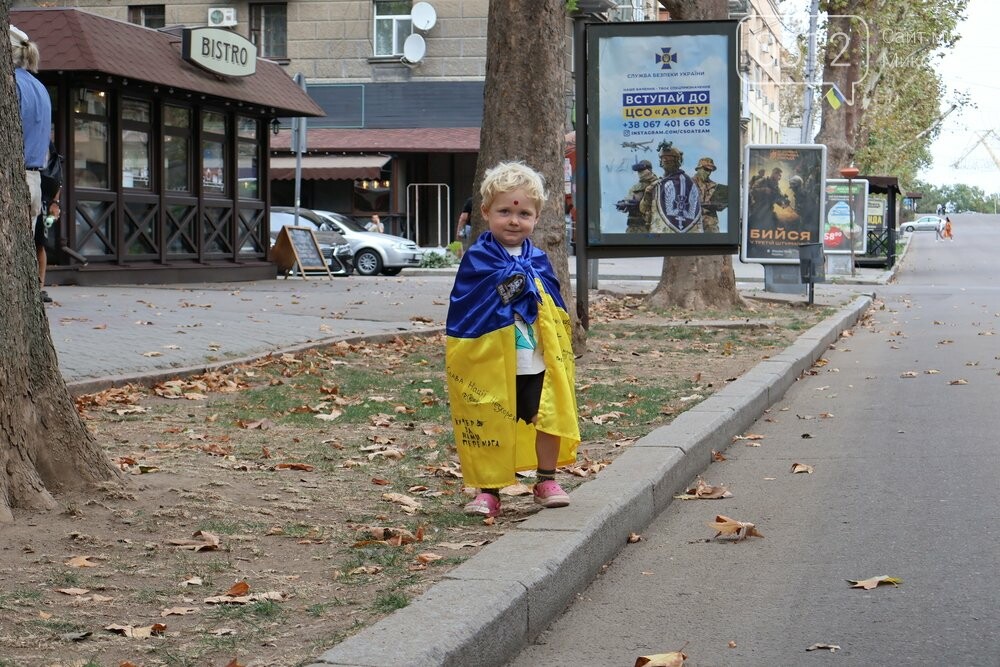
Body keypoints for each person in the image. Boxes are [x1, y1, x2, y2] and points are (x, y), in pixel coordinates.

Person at [445, 161, 580, 518]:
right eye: (504, 211)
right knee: (490, 418)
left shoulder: (539, 259)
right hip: (490, 360)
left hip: (535, 360)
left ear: (537, 217)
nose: (514, 220)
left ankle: (546, 479)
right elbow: (468, 306)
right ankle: (488, 490)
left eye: (524, 213)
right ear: (486, 212)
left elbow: (552, 304)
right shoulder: (477, 259)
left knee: (545, 416)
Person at [12, 25, 53, 303]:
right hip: (34, 178)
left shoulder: (10, 83)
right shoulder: (39, 87)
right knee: (23, 246)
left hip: (14, 177)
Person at [640, 141, 701, 233]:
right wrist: (647, 195)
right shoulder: (657, 184)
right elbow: (643, 209)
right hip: (659, 233)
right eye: (663, 158)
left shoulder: (689, 184)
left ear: (677, 161)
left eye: (669, 158)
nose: (665, 161)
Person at [617, 159, 657, 234]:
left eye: (642, 170)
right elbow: (628, 199)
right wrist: (623, 204)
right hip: (632, 227)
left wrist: (639, 205)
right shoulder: (635, 187)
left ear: (649, 170)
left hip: (648, 227)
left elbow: (658, 207)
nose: (640, 173)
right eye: (639, 171)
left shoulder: (657, 185)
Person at [691, 157, 728, 233]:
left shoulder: (714, 186)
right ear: (699, 168)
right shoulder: (688, 183)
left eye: (710, 171)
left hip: (710, 225)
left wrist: (723, 203)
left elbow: (719, 204)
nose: (708, 173)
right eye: (706, 170)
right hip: (693, 222)